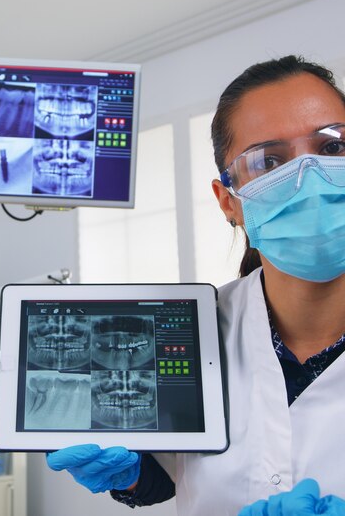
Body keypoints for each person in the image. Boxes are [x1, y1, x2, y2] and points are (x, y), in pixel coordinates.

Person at [46, 55, 345, 515]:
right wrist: (131, 473)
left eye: (331, 147)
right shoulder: (188, 327)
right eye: (269, 160)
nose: (310, 178)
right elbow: (169, 474)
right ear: (229, 201)